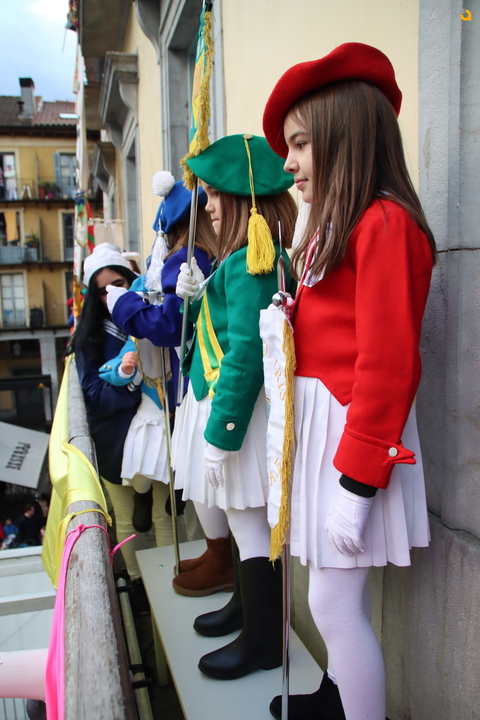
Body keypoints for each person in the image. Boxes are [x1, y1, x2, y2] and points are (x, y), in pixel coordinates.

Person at [262, 43, 436, 720]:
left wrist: (358, 483)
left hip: (352, 437)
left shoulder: (385, 223)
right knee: (330, 598)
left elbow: (390, 366)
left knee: (332, 606)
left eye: (300, 143)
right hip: (328, 431)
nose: (288, 163)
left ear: (348, 134)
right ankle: (337, 700)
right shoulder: (344, 223)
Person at [174, 134, 297, 679]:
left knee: (249, 526)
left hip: (242, 418)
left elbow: (245, 353)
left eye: (216, 193)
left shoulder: (254, 258)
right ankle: (248, 613)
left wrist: (220, 436)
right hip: (240, 414)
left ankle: (264, 640)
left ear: (244, 200)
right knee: (242, 521)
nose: (208, 206)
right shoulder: (244, 257)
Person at [105, 173, 217, 546]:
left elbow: (170, 326)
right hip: (201, 382)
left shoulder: (184, 257)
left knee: (203, 494)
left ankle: (219, 560)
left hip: (198, 384)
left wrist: (124, 306)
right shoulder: (216, 254)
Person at [68, 243, 152, 613]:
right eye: (102, 290)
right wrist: (129, 385)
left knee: (164, 513)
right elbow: (94, 394)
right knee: (127, 515)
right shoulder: (89, 337)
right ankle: (138, 585)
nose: (111, 294)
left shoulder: (148, 314)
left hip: (154, 432)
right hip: (114, 438)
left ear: (131, 280)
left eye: (118, 283)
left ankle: (169, 577)